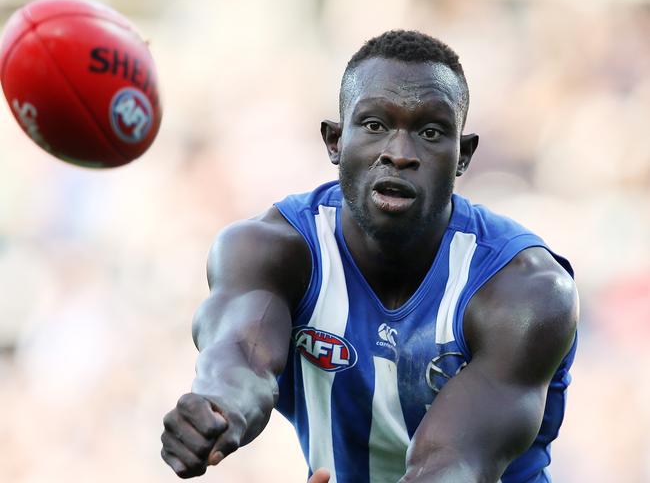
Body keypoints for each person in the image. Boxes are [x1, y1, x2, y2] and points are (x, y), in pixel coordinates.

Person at [160, 30, 578, 483]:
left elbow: (454, 464)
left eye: (431, 132)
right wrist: (217, 411)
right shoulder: (270, 250)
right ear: (335, 141)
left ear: (464, 154)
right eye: (375, 125)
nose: (399, 154)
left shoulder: (525, 289)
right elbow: (241, 357)